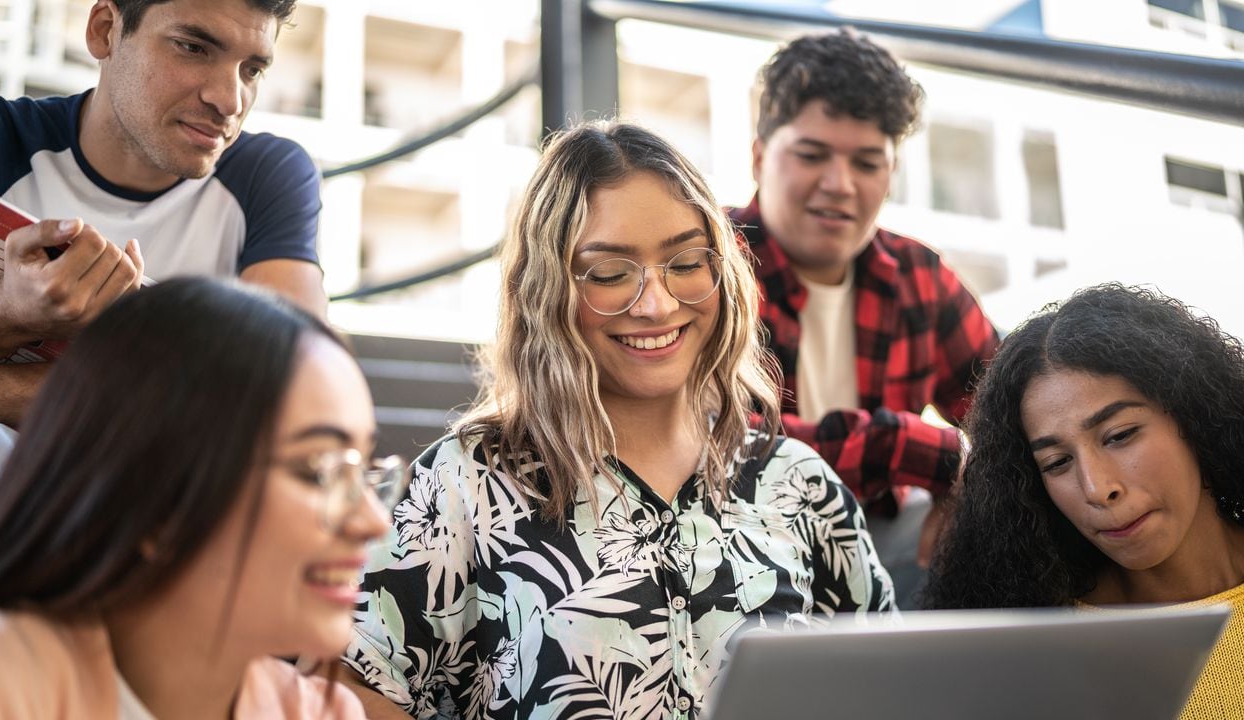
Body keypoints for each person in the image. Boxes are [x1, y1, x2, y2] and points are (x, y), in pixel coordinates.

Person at [339, 122, 894, 719]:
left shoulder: (799, 481)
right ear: (545, 290)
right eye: (608, 274)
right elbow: (355, 685)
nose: (655, 305)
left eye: (685, 262)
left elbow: (890, 685)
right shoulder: (466, 481)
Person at [0, 277, 402, 717]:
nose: (373, 521)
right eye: (320, 471)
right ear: (155, 497)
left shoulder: (324, 712)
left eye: (367, 471)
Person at [0, 0, 326, 498]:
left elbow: (303, 395)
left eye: (252, 69)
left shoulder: (268, 174)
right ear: (106, 30)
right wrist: (9, 314)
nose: (230, 99)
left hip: (157, 512)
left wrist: (6, 392)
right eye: (193, 47)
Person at [728, 28, 999, 604]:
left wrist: (973, 481)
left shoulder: (918, 277)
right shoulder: (703, 263)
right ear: (758, 158)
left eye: (867, 162)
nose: (840, 185)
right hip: (730, 549)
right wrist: (913, 448)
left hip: (878, 548)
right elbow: (716, 441)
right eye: (811, 155)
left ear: (890, 173)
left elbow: (1011, 411)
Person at [921, 283, 1244, 717]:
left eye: (1120, 436)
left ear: (1194, 412)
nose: (1097, 488)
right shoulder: (1034, 651)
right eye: (1056, 463)